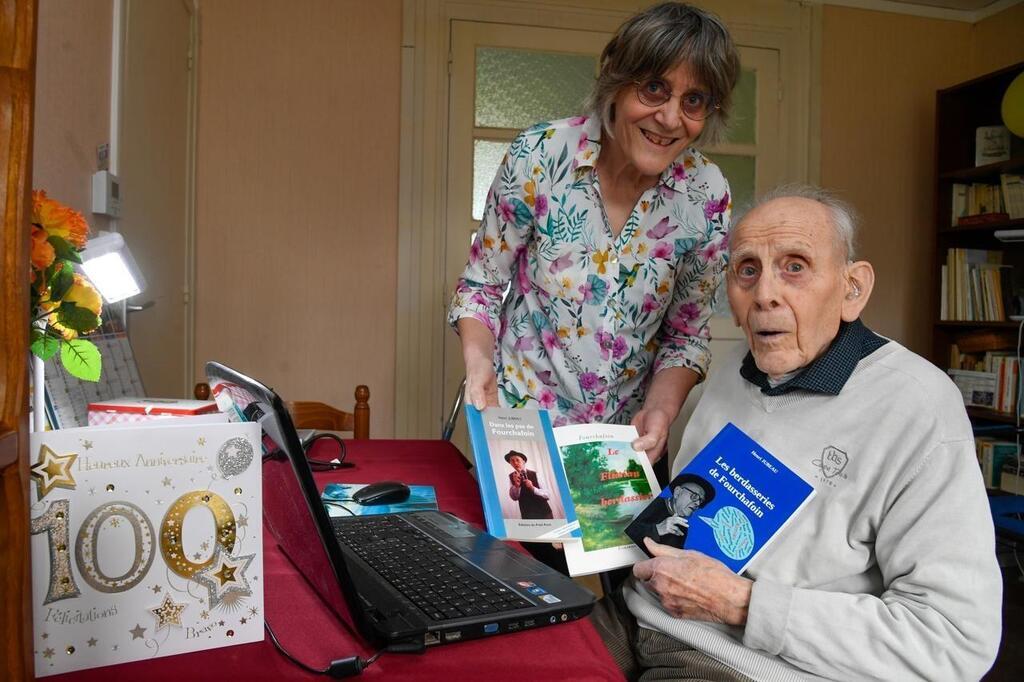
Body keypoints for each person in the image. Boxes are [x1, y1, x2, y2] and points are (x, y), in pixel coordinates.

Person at [590, 186, 1003, 681]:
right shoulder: (730, 374)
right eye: (748, 270)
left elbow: (954, 641)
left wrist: (742, 604)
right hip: (639, 612)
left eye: (795, 266)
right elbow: (692, 524)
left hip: (739, 663)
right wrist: (597, 510)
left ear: (852, 289)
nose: (765, 294)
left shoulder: (919, 407)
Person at [447, 2, 740, 463]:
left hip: (623, 451)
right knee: (515, 538)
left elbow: (687, 336)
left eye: (694, 100)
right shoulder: (541, 155)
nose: (669, 118)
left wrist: (662, 409)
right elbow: (482, 285)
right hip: (521, 429)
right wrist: (480, 365)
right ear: (615, 81)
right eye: (654, 88)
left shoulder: (706, 194)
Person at [628, 473, 714, 551]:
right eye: (695, 496)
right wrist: (657, 529)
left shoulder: (683, 528)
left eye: (701, 501)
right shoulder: (651, 502)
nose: (697, 503)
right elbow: (623, 532)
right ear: (677, 492)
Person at [505, 450, 554, 520]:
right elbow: (514, 498)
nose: (515, 463)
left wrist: (532, 488)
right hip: (527, 515)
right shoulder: (511, 477)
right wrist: (516, 486)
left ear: (523, 461)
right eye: (512, 461)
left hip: (544, 513)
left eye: (517, 460)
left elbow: (548, 494)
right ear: (510, 463)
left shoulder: (536, 474)